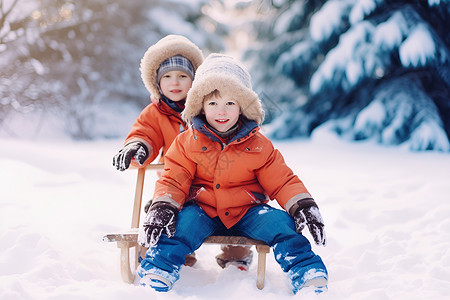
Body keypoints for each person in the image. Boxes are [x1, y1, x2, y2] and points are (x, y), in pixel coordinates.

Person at [137, 53, 328, 294]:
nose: (222, 111)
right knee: (180, 225)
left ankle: (306, 270)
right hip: (202, 209)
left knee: (282, 224)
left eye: (230, 103)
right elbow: (174, 179)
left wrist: (302, 205)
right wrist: (163, 206)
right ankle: (158, 270)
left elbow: (282, 180)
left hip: (247, 211)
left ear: (242, 107)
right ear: (201, 106)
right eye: (213, 103)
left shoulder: (259, 145)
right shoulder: (186, 142)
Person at [112, 35, 253, 269]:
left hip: (214, 180)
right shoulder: (155, 113)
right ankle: (173, 252)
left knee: (232, 210)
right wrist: (137, 147)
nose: (174, 83)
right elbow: (145, 133)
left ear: (194, 80)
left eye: (182, 76)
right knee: (166, 213)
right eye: (166, 77)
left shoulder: (206, 108)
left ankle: (235, 251)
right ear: (156, 82)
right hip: (176, 184)